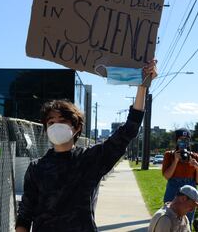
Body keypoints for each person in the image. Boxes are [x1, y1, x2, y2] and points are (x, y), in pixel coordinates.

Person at [15, 60, 157, 232]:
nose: (56, 126)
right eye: (51, 122)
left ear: (76, 128)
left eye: (62, 121)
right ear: (45, 129)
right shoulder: (36, 168)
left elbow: (129, 129)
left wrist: (142, 86)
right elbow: (25, 214)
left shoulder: (91, 159)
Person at [162, 128, 198, 225]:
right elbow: (167, 176)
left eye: (186, 139)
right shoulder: (169, 155)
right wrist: (176, 160)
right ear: (176, 140)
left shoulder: (195, 156)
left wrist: (196, 167)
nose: (183, 141)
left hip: (190, 191)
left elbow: (197, 181)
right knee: (169, 219)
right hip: (173, 189)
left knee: (187, 221)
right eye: (181, 139)